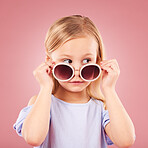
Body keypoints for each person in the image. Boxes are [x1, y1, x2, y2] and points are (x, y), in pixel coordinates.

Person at [13, 15, 136, 148]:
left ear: (98, 61)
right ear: (49, 61)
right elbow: (33, 138)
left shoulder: (102, 107)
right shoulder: (41, 103)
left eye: (86, 61)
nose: (77, 71)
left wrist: (109, 89)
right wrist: (45, 87)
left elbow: (126, 141)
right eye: (67, 61)